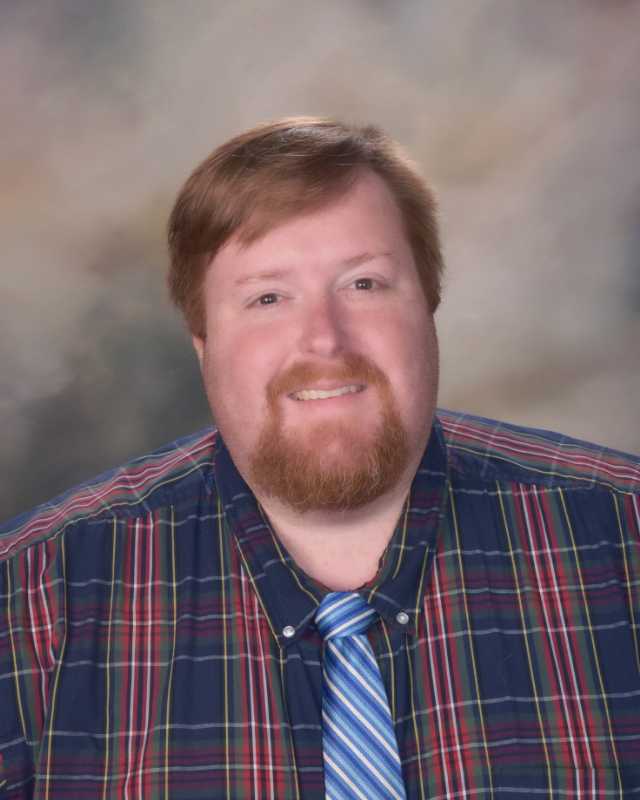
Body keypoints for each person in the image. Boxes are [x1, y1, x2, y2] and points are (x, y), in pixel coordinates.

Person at [1, 117, 639, 800]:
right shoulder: (32, 603)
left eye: (363, 284)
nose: (324, 341)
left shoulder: (624, 543)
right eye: (268, 298)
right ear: (202, 342)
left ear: (429, 304)